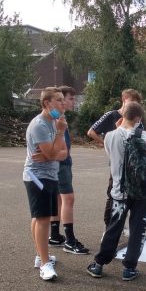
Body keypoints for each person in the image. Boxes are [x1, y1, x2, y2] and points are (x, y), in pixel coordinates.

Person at [86, 102, 146, 281]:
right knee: (138, 229)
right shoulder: (142, 135)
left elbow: (111, 157)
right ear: (139, 118)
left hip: (119, 190)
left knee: (114, 227)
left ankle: (99, 264)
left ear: (122, 116)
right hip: (141, 192)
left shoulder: (110, 136)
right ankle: (129, 268)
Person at [23, 87, 68, 281]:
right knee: (42, 219)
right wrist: (58, 136)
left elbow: (63, 153)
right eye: (58, 100)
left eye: (63, 100)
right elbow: (50, 154)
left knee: (40, 217)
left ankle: (40, 255)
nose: (63, 103)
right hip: (36, 177)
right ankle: (44, 264)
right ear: (47, 103)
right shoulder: (39, 125)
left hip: (51, 175)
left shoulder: (59, 122)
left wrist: (53, 152)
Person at [87, 89, 145, 234]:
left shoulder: (137, 119)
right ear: (124, 99)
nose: (134, 105)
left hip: (133, 166)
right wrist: (107, 144)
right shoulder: (112, 115)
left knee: (131, 195)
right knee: (113, 195)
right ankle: (109, 228)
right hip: (117, 164)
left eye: (136, 103)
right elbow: (91, 132)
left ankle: (125, 225)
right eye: (132, 102)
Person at [45, 86, 89, 255]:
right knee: (68, 199)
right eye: (70, 98)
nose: (72, 102)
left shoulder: (59, 117)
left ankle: (55, 235)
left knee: (58, 199)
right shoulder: (56, 118)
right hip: (60, 163)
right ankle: (70, 241)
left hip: (62, 162)